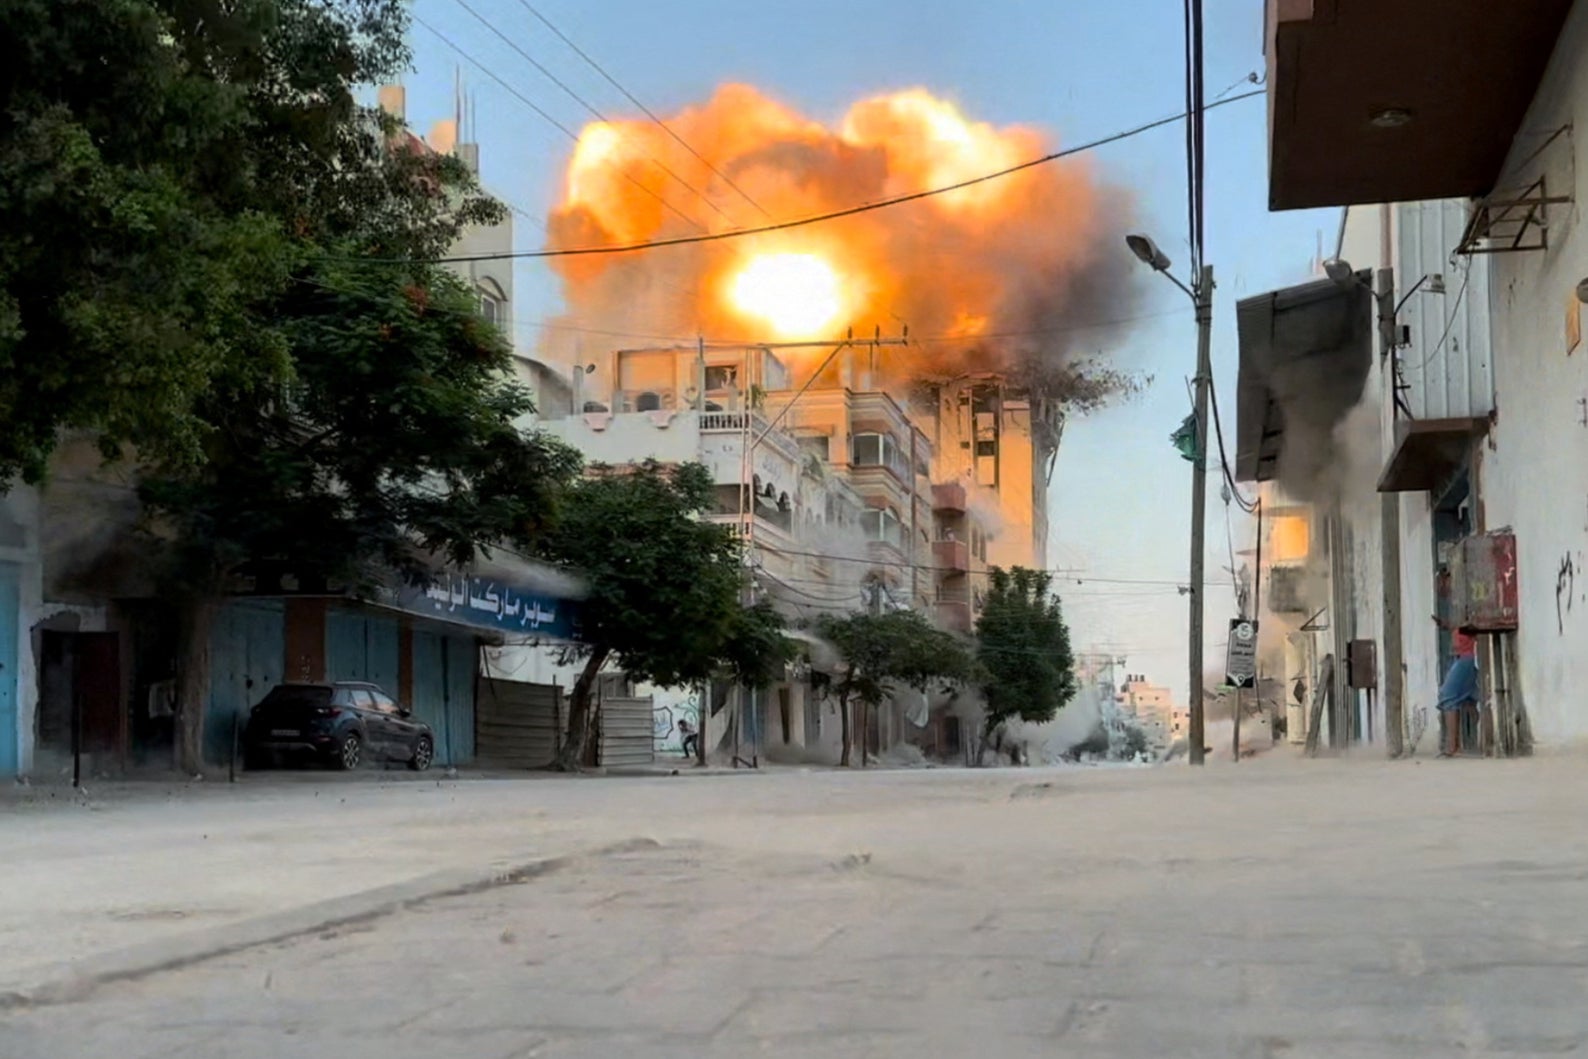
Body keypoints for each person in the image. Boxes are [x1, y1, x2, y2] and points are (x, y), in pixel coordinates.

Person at [1433, 612, 1479, 757]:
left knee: (1448, 696)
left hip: (1468, 657)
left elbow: (1474, 627)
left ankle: (1453, 746)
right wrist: (1447, 624)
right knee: (1469, 700)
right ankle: (1467, 743)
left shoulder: (1472, 608)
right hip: (1462, 656)